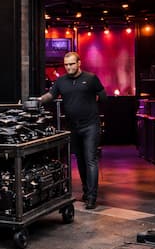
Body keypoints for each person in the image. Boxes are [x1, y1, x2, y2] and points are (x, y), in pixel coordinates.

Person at [39, 51, 105, 210]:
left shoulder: (91, 78)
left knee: (90, 160)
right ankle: (86, 191)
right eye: (66, 65)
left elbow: (103, 96)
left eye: (72, 64)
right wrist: (38, 100)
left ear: (79, 63)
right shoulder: (61, 81)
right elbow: (51, 95)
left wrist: (91, 104)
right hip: (73, 127)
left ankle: (92, 197)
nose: (68, 67)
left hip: (90, 125)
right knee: (80, 160)